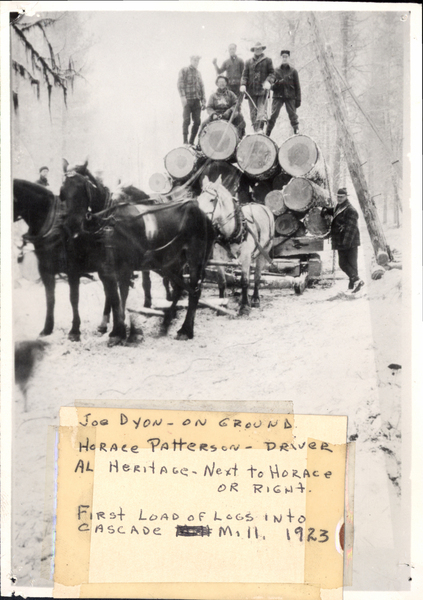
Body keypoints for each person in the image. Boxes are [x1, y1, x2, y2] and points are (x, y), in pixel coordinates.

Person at [323, 188, 364, 293]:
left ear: (346, 197)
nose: (339, 199)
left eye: (341, 197)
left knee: (344, 263)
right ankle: (353, 286)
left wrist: (346, 243)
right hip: (342, 240)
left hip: (348, 242)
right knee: (351, 264)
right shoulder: (339, 206)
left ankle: (356, 280)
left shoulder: (351, 210)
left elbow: (351, 228)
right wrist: (327, 210)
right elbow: (336, 213)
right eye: (338, 197)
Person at [240, 42, 274, 132]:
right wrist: (243, 84)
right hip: (251, 91)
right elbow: (244, 75)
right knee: (253, 112)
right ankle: (256, 130)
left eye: (259, 49)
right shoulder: (248, 62)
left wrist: (268, 81)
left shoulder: (268, 60)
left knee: (261, 111)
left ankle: (260, 129)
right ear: (254, 50)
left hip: (263, 91)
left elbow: (272, 73)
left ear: (262, 49)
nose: (258, 50)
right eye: (256, 49)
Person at [266, 50, 301, 136]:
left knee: (293, 115)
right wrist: (277, 83)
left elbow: (298, 86)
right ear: (281, 58)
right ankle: (267, 133)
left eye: (286, 57)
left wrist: (298, 99)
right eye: (283, 57)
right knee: (273, 115)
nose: (284, 58)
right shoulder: (275, 71)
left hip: (290, 97)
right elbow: (271, 86)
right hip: (278, 96)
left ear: (289, 58)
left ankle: (296, 132)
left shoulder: (293, 71)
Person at [177, 55, 206, 146]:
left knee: (197, 121)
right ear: (190, 60)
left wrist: (203, 100)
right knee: (186, 120)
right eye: (194, 60)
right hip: (188, 100)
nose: (196, 62)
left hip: (197, 100)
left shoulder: (198, 73)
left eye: (197, 61)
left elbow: (202, 87)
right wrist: (182, 97)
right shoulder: (184, 70)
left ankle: (191, 142)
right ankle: (185, 141)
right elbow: (180, 84)